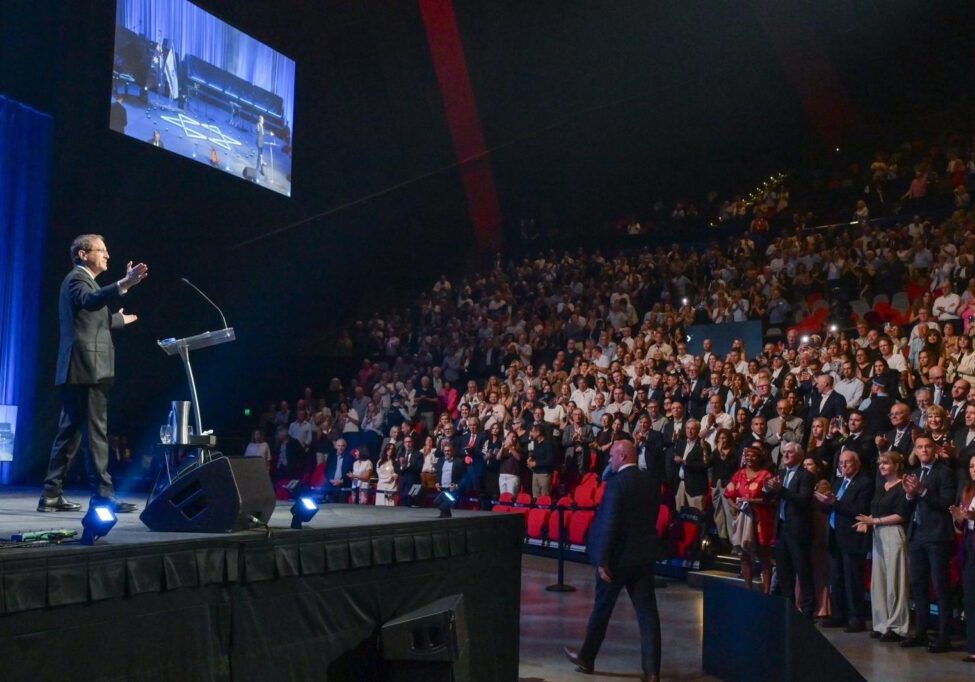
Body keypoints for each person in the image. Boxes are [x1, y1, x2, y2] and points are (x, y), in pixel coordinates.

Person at [39, 234, 148, 513]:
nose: (107, 255)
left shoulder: (85, 283)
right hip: (87, 369)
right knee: (96, 434)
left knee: (69, 434)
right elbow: (89, 301)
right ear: (82, 254)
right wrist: (123, 284)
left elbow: (90, 318)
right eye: (102, 250)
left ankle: (51, 495)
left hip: (80, 368)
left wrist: (118, 320)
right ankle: (103, 496)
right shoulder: (78, 279)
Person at [564, 440, 662, 682]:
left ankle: (587, 659)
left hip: (617, 560)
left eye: (611, 457)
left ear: (622, 455)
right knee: (648, 615)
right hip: (642, 558)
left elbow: (609, 523)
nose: (609, 460)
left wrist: (602, 559)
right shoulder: (650, 481)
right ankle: (652, 671)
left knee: (602, 609)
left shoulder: (617, 484)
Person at [901, 435, 957, 652]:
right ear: (914, 450)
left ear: (934, 449)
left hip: (937, 536)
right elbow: (905, 510)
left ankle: (944, 635)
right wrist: (908, 496)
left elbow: (946, 504)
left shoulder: (944, 472)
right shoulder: (914, 474)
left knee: (941, 586)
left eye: (927, 447)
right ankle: (921, 632)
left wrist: (922, 491)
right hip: (916, 535)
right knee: (918, 585)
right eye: (920, 447)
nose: (923, 450)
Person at [853, 451, 910, 641]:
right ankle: (881, 623)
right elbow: (874, 509)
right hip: (878, 532)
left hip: (894, 532)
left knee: (895, 581)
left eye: (886, 463)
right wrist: (867, 521)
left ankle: (897, 626)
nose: (882, 467)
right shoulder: (881, 485)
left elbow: (902, 515)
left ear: (896, 465)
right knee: (879, 580)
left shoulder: (902, 486)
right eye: (880, 464)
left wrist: (874, 520)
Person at [817, 449, 874, 632]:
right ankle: (838, 614)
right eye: (841, 463)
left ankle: (856, 618)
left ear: (857, 464)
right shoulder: (838, 481)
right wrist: (823, 502)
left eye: (847, 462)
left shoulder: (864, 483)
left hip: (852, 538)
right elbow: (831, 508)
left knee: (853, 580)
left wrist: (834, 502)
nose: (843, 466)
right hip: (835, 536)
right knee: (837, 578)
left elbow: (859, 509)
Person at [765, 441, 815, 617]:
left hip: (798, 530)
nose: (785, 455)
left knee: (802, 570)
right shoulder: (780, 474)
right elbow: (770, 498)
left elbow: (803, 500)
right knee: (784, 571)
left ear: (799, 456)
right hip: (782, 528)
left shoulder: (806, 476)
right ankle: (788, 607)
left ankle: (808, 610)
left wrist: (781, 490)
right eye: (784, 452)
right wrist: (767, 489)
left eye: (790, 452)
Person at [725, 446, 774, 591]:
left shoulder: (766, 475)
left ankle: (766, 591)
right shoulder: (739, 474)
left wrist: (752, 502)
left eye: (753, 456)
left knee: (763, 555)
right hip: (743, 518)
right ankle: (748, 588)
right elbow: (729, 494)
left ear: (759, 458)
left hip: (760, 520)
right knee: (744, 555)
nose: (750, 458)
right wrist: (735, 506)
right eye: (747, 455)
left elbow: (771, 499)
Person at [949, 456, 975, 663]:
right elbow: (963, 524)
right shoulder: (967, 491)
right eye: (972, 466)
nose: (974, 469)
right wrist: (958, 518)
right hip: (969, 547)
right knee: (970, 596)